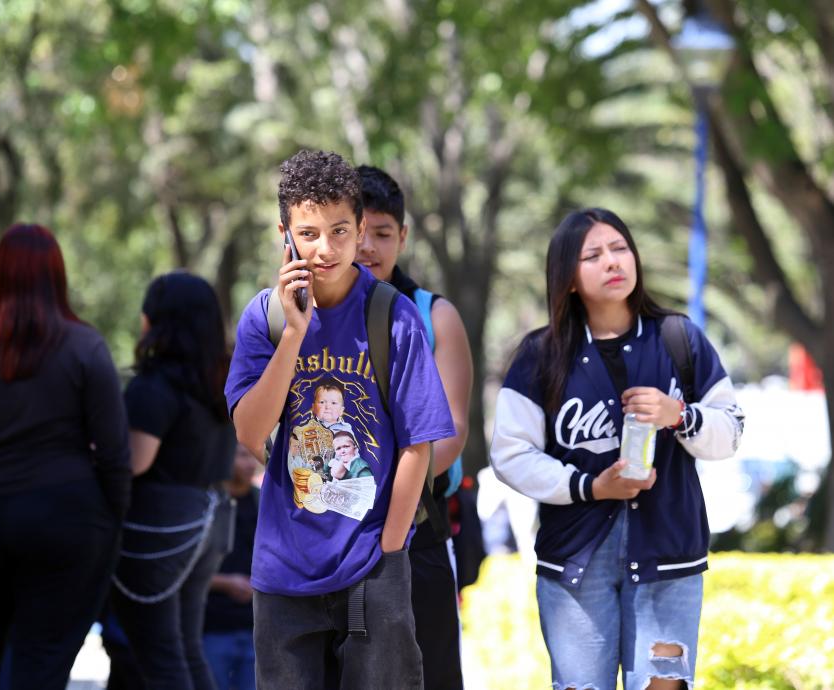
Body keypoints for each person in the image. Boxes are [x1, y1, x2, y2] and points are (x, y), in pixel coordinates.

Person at [225, 150, 454, 690]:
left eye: (340, 230)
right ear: (285, 234)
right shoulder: (265, 317)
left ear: (358, 231)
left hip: (373, 563)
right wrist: (295, 334)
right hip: (285, 569)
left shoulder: (394, 314)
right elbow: (251, 433)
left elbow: (417, 445)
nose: (325, 248)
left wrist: (390, 549)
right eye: (308, 233)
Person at [490, 208, 745, 689]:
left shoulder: (679, 338)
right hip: (574, 563)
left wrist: (681, 415)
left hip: (667, 558)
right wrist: (589, 486)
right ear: (566, 278)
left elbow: (730, 432)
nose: (612, 262)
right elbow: (510, 454)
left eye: (620, 248)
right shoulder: (539, 355)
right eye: (593, 255)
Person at [0, 223, 130, 689]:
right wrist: (111, 519)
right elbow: (114, 452)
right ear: (57, 276)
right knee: (42, 662)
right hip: (67, 519)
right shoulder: (84, 346)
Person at [356, 165, 473, 690]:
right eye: (354, 231)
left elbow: (452, 430)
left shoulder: (433, 316)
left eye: (382, 233)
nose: (367, 247)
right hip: (329, 531)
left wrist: (392, 495)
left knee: (428, 674)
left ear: (402, 237)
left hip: (419, 530)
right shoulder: (301, 316)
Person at [111, 271, 237, 690]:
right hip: (213, 520)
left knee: (160, 655)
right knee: (186, 647)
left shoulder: (155, 385)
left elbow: (135, 461)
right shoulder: (216, 386)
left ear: (159, 320)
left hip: (163, 528)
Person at [203, 444, 262, 690]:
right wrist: (224, 583)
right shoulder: (208, 502)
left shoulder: (262, 501)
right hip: (211, 626)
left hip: (255, 627)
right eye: (241, 455)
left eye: (252, 456)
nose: (249, 463)